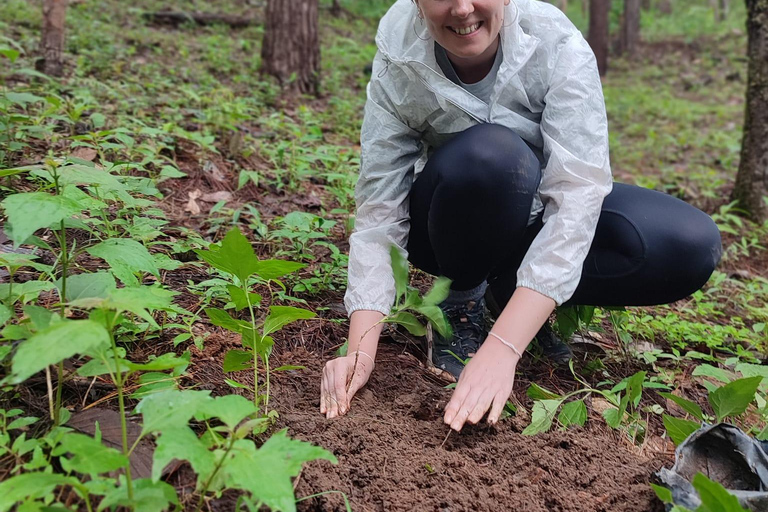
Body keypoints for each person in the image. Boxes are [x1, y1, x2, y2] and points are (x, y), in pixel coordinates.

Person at [319, 0, 721, 432]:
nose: (461, 8)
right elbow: (382, 206)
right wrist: (360, 348)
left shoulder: (554, 40)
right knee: (494, 155)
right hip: (447, 220)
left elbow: (577, 192)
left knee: (687, 243)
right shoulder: (399, 50)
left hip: (535, 216)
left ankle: (510, 296)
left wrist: (504, 346)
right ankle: (460, 300)